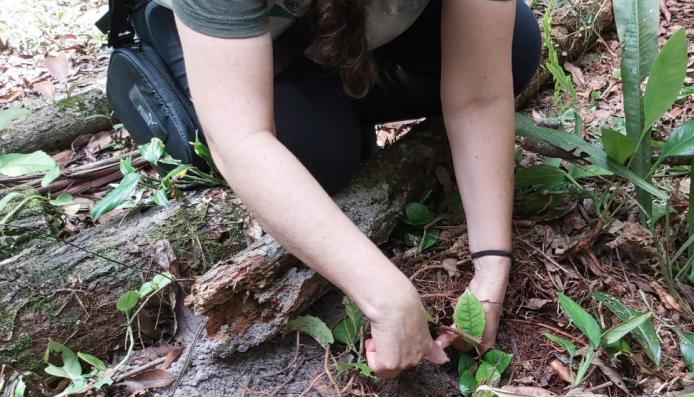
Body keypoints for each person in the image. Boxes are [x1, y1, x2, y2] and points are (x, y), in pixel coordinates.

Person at [158, 0, 541, 377]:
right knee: (315, 155)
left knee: (513, 47)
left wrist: (492, 265)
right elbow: (241, 138)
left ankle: (334, 101)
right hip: (244, 38)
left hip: (356, 25)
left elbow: (479, 94)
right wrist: (382, 294)